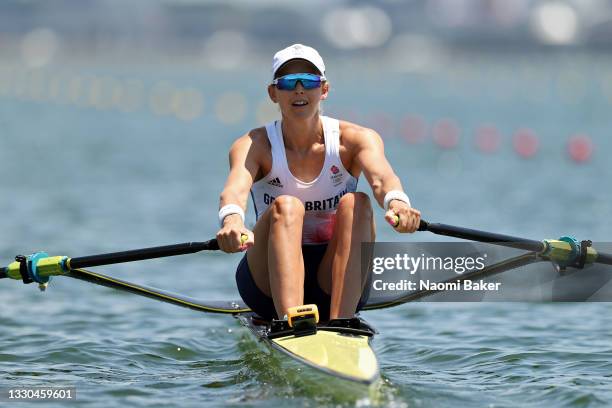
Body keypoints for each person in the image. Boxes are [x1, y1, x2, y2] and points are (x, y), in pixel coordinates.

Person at [216, 44, 421, 322]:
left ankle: (342, 322)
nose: (299, 90)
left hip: (333, 277)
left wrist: (398, 203)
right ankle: (292, 323)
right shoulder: (254, 145)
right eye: (288, 82)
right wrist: (231, 222)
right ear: (273, 93)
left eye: (309, 81)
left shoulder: (356, 139)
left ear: (323, 89)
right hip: (265, 283)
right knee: (287, 206)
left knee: (357, 203)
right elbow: (235, 190)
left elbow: (383, 178)